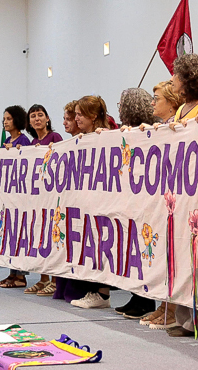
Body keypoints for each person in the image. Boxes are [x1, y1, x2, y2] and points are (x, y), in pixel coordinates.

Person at [161, 53, 198, 336]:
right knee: (182, 254)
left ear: (187, 79)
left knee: (197, 256)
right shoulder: (183, 108)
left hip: (197, 189)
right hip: (180, 189)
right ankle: (183, 317)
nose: (173, 80)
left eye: (176, 75)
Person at [58, 96, 112, 309]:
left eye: (80, 114)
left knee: (101, 245)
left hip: (102, 201)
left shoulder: (105, 136)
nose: (76, 118)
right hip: (85, 201)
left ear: (94, 116)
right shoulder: (81, 138)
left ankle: (103, 293)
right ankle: (93, 290)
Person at [113, 89, 158, 319]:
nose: (118, 107)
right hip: (132, 196)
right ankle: (136, 295)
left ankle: (145, 300)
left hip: (147, 197)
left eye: (121, 103)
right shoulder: (128, 131)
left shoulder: (150, 131)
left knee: (145, 247)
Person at [23, 104, 63, 296]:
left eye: (40, 115)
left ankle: (55, 280)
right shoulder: (31, 143)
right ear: (29, 121)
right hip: (37, 198)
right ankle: (43, 278)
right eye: (33, 116)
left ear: (47, 118)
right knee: (40, 236)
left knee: (52, 235)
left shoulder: (55, 138)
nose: (37, 119)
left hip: (53, 195)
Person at [0, 106, 31, 289]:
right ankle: (11, 273)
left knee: (20, 235)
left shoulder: (24, 140)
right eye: (4, 119)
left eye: (9, 118)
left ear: (17, 120)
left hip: (22, 195)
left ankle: (21, 276)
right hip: (9, 196)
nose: (5, 122)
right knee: (10, 236)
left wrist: (18, 151)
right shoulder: (7, 140)